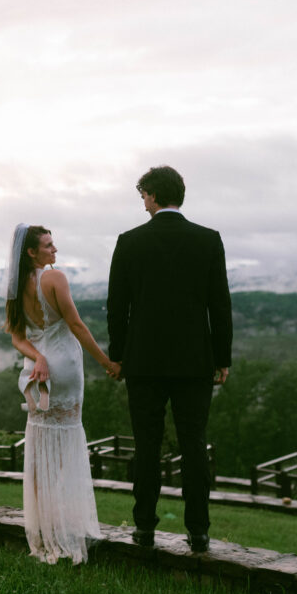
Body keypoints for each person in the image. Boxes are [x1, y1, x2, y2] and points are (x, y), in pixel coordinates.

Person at [105, 165, 232, 553]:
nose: (143, 203)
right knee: (194, 444)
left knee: (147, 445)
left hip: (143, 362)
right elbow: (220, 305)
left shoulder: (129, 241)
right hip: (196, 361)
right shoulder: (208, 240)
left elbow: (116, 307)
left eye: (144, 196)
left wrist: (119, 355)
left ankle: (144, 528)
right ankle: (199, 532)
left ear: (155, 196)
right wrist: (221, 358)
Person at [1, 223, 113, 564]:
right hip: (63, 368)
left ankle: (44, 530)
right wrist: (107, 362)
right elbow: (76, 325)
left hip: (36, 371)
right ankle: (65, 530)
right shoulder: (54, 279)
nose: (55, 250)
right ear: (32, 252)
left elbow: (16, 336)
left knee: (39, 446)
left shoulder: (15, 286)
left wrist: (38, 357)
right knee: (65, 448)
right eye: (48, 246)